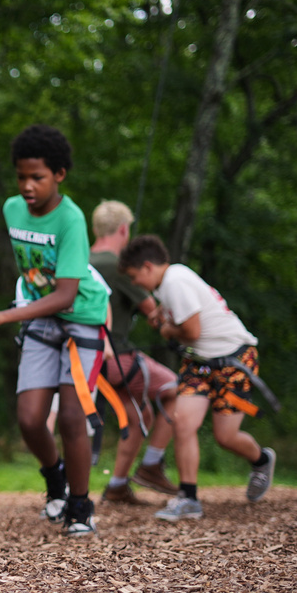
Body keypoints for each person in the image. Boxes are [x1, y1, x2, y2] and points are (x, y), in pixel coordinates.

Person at [0, 124, 108, 536]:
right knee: (30, 419)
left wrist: (4, 315)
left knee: (71, 417)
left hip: (81, 318)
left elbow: (66, 293)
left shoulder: (71, 219)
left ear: (60, 175)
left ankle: (81, 505)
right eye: (21, 177)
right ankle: (56, 479)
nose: (27, 186)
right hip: (39, 318)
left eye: (38, 177)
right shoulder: (12, 209)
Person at [118, 234, 276, 522]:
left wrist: (168, 331)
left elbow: (191, 332)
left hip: (235, 360)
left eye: (133, 276)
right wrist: (164, 322)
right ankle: (188, 498)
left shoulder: (175, 281)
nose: (135, 283)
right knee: (182, 422)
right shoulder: (167, 285)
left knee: (225, 437)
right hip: (199, 362)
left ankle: (262, 460)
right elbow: (185, 328)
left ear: (148, 267)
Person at [88, 200, 179, 504]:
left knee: (138, 415)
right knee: (172, 388)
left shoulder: (82, 260)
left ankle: (117, 485)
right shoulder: (119, 267)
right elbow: (152, 310)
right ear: (124, 230)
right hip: (118, 357)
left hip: (86, 359)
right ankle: (152, 465)